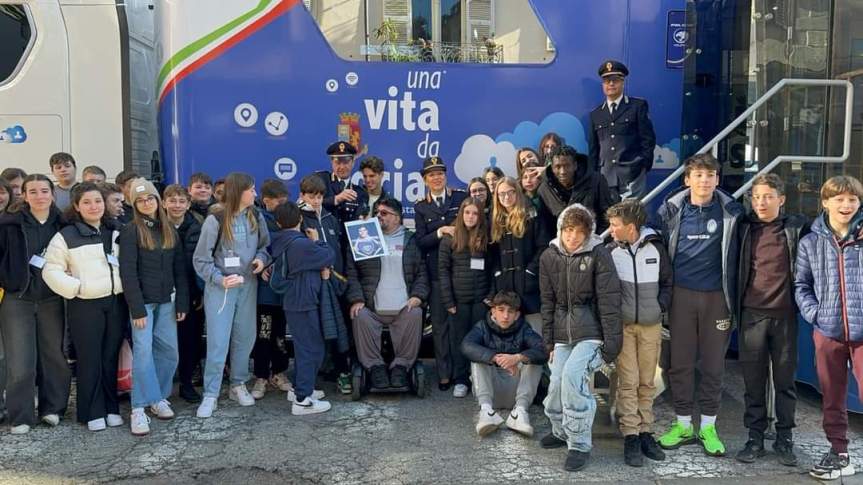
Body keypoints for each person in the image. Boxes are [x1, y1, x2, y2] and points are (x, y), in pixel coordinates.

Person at [656, 153, 743, 457]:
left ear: (718, 179)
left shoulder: (732, 211)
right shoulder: (670, 211)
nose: (704, 180)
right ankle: (682, 424)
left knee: (712, 365)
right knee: (679, 363)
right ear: (687, 179)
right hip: (681, 297)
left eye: (710, 175)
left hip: (717, 298)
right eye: (698, 175)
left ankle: (708, 426)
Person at [539, 204, 622, 472]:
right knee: (555, 384)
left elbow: (609, 300)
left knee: (574, 377)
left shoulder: (599, 254)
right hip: (563, 334)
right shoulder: (548, 257)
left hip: (592, 333)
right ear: (561, 230)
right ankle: (561, 430)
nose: (573, 237)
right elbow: (548, 302)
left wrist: (612, 343)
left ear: (588, 233)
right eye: (568, 230)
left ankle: (579, 444)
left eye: (580, 232)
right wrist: (549, 342)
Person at [735, 174, 806, 466]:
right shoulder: (741, 228)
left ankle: (785, 438)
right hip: (751, 315)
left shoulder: (798, 228)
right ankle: (754, 437)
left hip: (785, 316)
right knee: (753, 381)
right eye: (755, 197)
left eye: (767, 196)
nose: (761, 202)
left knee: (785, 381)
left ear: (782, 199)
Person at [42, 182, 125, 432]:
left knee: (111, 357)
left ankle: (111, 408)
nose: (94, 206)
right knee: (90, 359)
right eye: (87, 202)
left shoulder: (116, 230)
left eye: (98, 201)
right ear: (76, 206)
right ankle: (91, 411)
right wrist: (76, 288)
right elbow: (51, 269)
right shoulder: (66, 235)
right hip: (84, 305)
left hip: (114, 302)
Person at [795, 175, 863, 480]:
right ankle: (839, 453)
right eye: (839, 199)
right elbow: (801, 285)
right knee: (832, 396)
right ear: (825, 202)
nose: (846, 205)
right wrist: (816, 315)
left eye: (852, 199)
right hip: (828, 331)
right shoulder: (810, 241)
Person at [193, 172, 270, 418]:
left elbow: (265, 247)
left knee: (245, 336)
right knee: (218, 340)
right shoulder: (215, 219)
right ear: (239, 192)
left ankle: (237, 384)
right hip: (221, 289)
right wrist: (219, 278)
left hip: (248, 285)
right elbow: (200, 260)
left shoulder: (256, 215)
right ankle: (211, 393)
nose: (255, 194)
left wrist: (260, 260)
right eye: (251, 190)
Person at [0, 174, 71, 434]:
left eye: (44, 191)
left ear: (52, 194)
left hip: (52, 299)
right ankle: (21, 416)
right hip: (17, 299)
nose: (39, 196)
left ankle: (53, 409)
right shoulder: (8, 224)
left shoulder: (65, 224)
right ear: (24, 196)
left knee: (54, 355)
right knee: (20, 361)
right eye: (33, 192)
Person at [118, 178, 189, 436]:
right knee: (144, 353)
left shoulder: (169, 228)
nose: (146, 203)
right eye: (140, 200)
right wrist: (136, 309)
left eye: (150, 198)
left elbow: (179, 269)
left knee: (170, 352)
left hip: (167, 301)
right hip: (143, 304)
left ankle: (157, 398)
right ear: (134, 204)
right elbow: (128, 273)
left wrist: (182, 300)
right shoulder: (131, 231)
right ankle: (138, 408)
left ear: (157, 200)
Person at [606, 199, 672, 467]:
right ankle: (631, 434)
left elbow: (668, 282)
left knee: (647, 381)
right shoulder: (610, 251)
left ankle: (646, 431)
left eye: (614, 225)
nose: (610, 230)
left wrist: (659, 308)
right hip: (624, 327)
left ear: (630, 227)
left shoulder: (656, 248)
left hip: (650, 325)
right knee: (628, 381)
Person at [347, 196, 428, 390]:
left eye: (384, 213)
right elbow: (352, 271)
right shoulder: (365, 237)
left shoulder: (412, 240)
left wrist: (417, 296)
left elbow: (422, 273)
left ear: (397, 218)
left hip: (403, 307)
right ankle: (375, 367)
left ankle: (401, 366)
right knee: (360, 315)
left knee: (416, 313)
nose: (379, 216)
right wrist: (356, 299)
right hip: (373, 306)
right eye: (377, 213)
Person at [270, 201, 335, 415]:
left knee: (303, 346)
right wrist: (318, 241)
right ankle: (302, 400)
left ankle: (300, 388)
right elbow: (328, 256)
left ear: (278, 222)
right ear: (299, 219)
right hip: (303, 301)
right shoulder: (301, 244)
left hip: (293, 299)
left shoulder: (280, 240)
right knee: (311, 348)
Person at [413, 156, 468, 391]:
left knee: (459, 326)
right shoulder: (421, 206)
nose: (436, 177)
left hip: (460, 272)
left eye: (440, 173)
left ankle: (460, 375)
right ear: (425, 180)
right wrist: (440, 232)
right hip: (436, 273)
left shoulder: (460, 198)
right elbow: (420, 242)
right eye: (431, 174)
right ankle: (444, 374)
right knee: (440, 326)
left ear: (445, 176)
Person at [462, 291, 546, 437]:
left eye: (510, 311)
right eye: (501, 310)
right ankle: (486, 412)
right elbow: (466, 346)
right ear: (493, 311)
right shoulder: (482, 326)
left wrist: (517, 358)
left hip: (516, 391)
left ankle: (520, 413)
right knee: (477, 358)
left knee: (533, 360)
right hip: (490, 391)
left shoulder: (524, 328)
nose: (506, 316)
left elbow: (543, 350)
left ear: (517, 315)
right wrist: (495, 357)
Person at [299, 174, 351, 394]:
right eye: (312, 196)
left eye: (320, 196)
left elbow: (338, 250)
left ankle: (342, 372)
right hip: (312, 284)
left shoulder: (330, 217)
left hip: (334, 283)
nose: (316, 200)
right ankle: (312, 379)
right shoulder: (299, 218)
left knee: (338, 330)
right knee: (315, 332)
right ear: (302, 196)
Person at [438, 197, 492, 398]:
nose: (471, 217)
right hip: (458, 302)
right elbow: (443, 271)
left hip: (480, 301)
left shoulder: (486, 238)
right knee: (459, 340)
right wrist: (448, 301)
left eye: (475, 213)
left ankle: (478, 380)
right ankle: (460, 380)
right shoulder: (449, 238)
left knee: (479, 341)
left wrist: (490, 295)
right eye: (467, 212)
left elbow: (493, 267)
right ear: (461, 214)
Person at [588, 59, 657, 199]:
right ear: (603, 85)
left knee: (631, 217)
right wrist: (593, 174)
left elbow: (648, 139)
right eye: (607, 81)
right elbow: (593, 148)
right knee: (608, 218)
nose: (611, 84)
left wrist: (642, 166)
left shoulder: (637, 106)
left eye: (615, 80)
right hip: (605, 176)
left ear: (622, 82)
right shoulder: (596, 114)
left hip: (632, 174)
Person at [489, 177, 549, 332]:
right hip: (506, 285)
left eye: (510, 192)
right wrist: (497, 274)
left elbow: (543, 246)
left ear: (517, 193)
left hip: (529, 283)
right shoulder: (495, 220)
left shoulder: (531, 214)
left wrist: (530, 271)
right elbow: (492, 253)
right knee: (510, 331)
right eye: (502, 194)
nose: (506, 197)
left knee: (535, 330)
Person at [250, 179, 292, 400]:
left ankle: (279, 372)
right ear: (266, 201)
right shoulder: (256, 219)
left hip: (282, 290)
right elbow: (254, 249)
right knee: (263, 333)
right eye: (280, 202)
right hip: (264, 292)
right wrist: (264, 263)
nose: (284, 206)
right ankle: (260, 376)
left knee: (280, 334)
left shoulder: (289, 218)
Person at [163, 184, 204, 403]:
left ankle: (187, 384)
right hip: (163, 292)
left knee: (190, 340)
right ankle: (164, 388)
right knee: (165, 342)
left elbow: (202, 261)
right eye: (172, 200)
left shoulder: (199, 226)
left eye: (181, 201)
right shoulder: (157, 226)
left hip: (191, 293)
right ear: (164, 203)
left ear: (188, 204)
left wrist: (200, 292)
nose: (177, 205)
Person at [536, 145, 616, 233]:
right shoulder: (544, 190)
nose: (563, 171)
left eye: (567, 166)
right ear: (552, 168)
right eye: (558, 167)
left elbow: (607, 216)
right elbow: (544, 227)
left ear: (575, 165)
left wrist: (597, 240)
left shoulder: (596, 181)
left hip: (594, 239)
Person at [317, 141, 369, 227]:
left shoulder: (360, 193)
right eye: (337, 162)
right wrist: (336, 199)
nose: (341, 167)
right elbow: (305, 204)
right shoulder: (320, 180)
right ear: (332, 162)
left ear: (353, 163)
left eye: (345, 162)